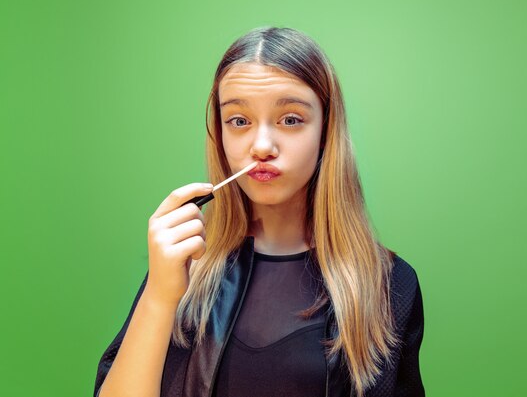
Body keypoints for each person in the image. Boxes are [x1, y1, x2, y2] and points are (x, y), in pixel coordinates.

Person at [94, 26, 425, 397]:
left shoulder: (388, 285)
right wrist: (159, 295)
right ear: (220, 134)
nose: (262, 146)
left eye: (290, 120)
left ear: (326, 132)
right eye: (239, 121)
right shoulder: (184, 267)